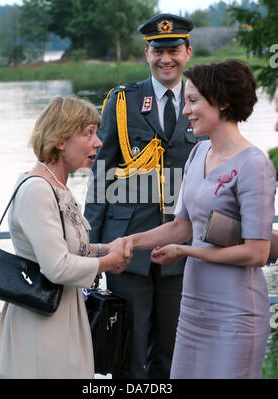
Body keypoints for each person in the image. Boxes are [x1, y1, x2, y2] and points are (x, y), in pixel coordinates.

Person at [124, 59, 276, 379]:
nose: (185, 111)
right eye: (185, 101)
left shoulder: (254, 165)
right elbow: (182, 226)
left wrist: (186, 251)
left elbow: (257, 252)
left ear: (222, 102)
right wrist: (128, 242)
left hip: (235, 313)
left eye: (193, 101)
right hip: (193, 309)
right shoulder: (197, 153)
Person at [84, 14, 206, 379]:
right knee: (129, 352)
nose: (165, 59)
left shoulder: (203, 101)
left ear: (187, 52)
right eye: (157, 51)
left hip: (183, 245)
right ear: (146, 53)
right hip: (127, 247)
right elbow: (101, 175)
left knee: (175, 352)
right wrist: (92, 245)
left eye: (173, 50)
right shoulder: (122, 101)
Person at [0, 95, 131, 379]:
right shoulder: (38, 190)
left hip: (64, 312)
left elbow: (68, 247)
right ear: (60, 140)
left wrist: (103, 250)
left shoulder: (58, 186)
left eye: (96, 133)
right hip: (41, 321)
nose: (98, 142)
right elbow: (57, 267)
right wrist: (108, 263)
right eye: (88, 133)